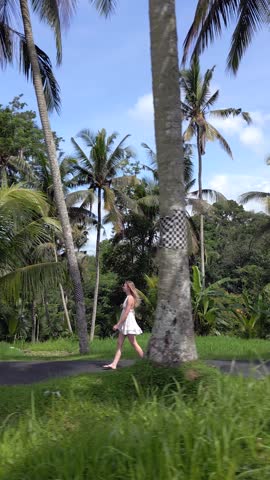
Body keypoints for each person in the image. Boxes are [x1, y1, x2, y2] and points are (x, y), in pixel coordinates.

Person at [103, 280, 144, 370]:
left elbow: (126, 313)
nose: (123, 287)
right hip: (125, 323)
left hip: (128, 323)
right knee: (119, 343)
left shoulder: (130, 298)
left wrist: (118, 324)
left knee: (133, 343)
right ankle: (114, 364)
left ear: (128, 288)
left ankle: (145, 360)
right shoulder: (128, 297)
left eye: (124, 286)